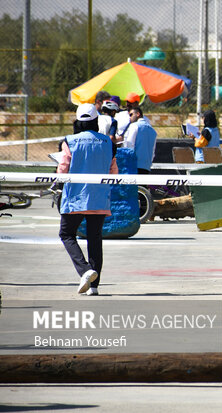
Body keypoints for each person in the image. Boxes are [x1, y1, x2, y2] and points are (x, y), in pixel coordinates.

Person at [57, 103, 118, 296]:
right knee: (95, 239)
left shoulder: (69, 141)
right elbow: (113, 172)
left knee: (67, 234)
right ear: (95, 121)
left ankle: (84, 270)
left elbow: (63, 170)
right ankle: (94, 286)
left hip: (75, 197)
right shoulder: (108, 142)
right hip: (99, 198)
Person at [123, 106, 157, 174]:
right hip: (146, 166)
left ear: (138, 114)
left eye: (131, 114)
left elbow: (129, 146)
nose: (130, 117)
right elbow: (153, 151)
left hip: (133, 165)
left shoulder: (134, 126)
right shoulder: (153, 131)